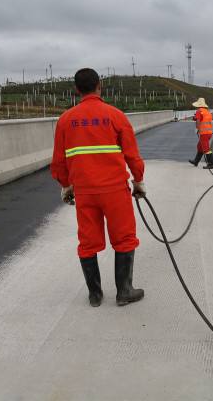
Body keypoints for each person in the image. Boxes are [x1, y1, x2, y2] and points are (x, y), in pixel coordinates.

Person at [51, 68, 146, 307]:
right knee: (123, 238)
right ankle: (124, 292)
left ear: (76, 89)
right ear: (99, 86)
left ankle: (95, 295)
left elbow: (59, 162)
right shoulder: (116, 116)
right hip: (114, 191)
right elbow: (132, 155)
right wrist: (138, 181)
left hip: (84, 192)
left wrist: (66, 186)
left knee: (88, 241)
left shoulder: (65, 120)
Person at [188, 97, 213, 169]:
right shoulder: (207, 112)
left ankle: (211, 164)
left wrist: (197, 129)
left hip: (204, 133)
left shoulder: (199, 111)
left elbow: (198, 121)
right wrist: (196, 118)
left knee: (206, 148)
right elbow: (203, 119)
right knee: (200, 147)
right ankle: (196, 161)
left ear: (199, 105)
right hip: (209, 133)